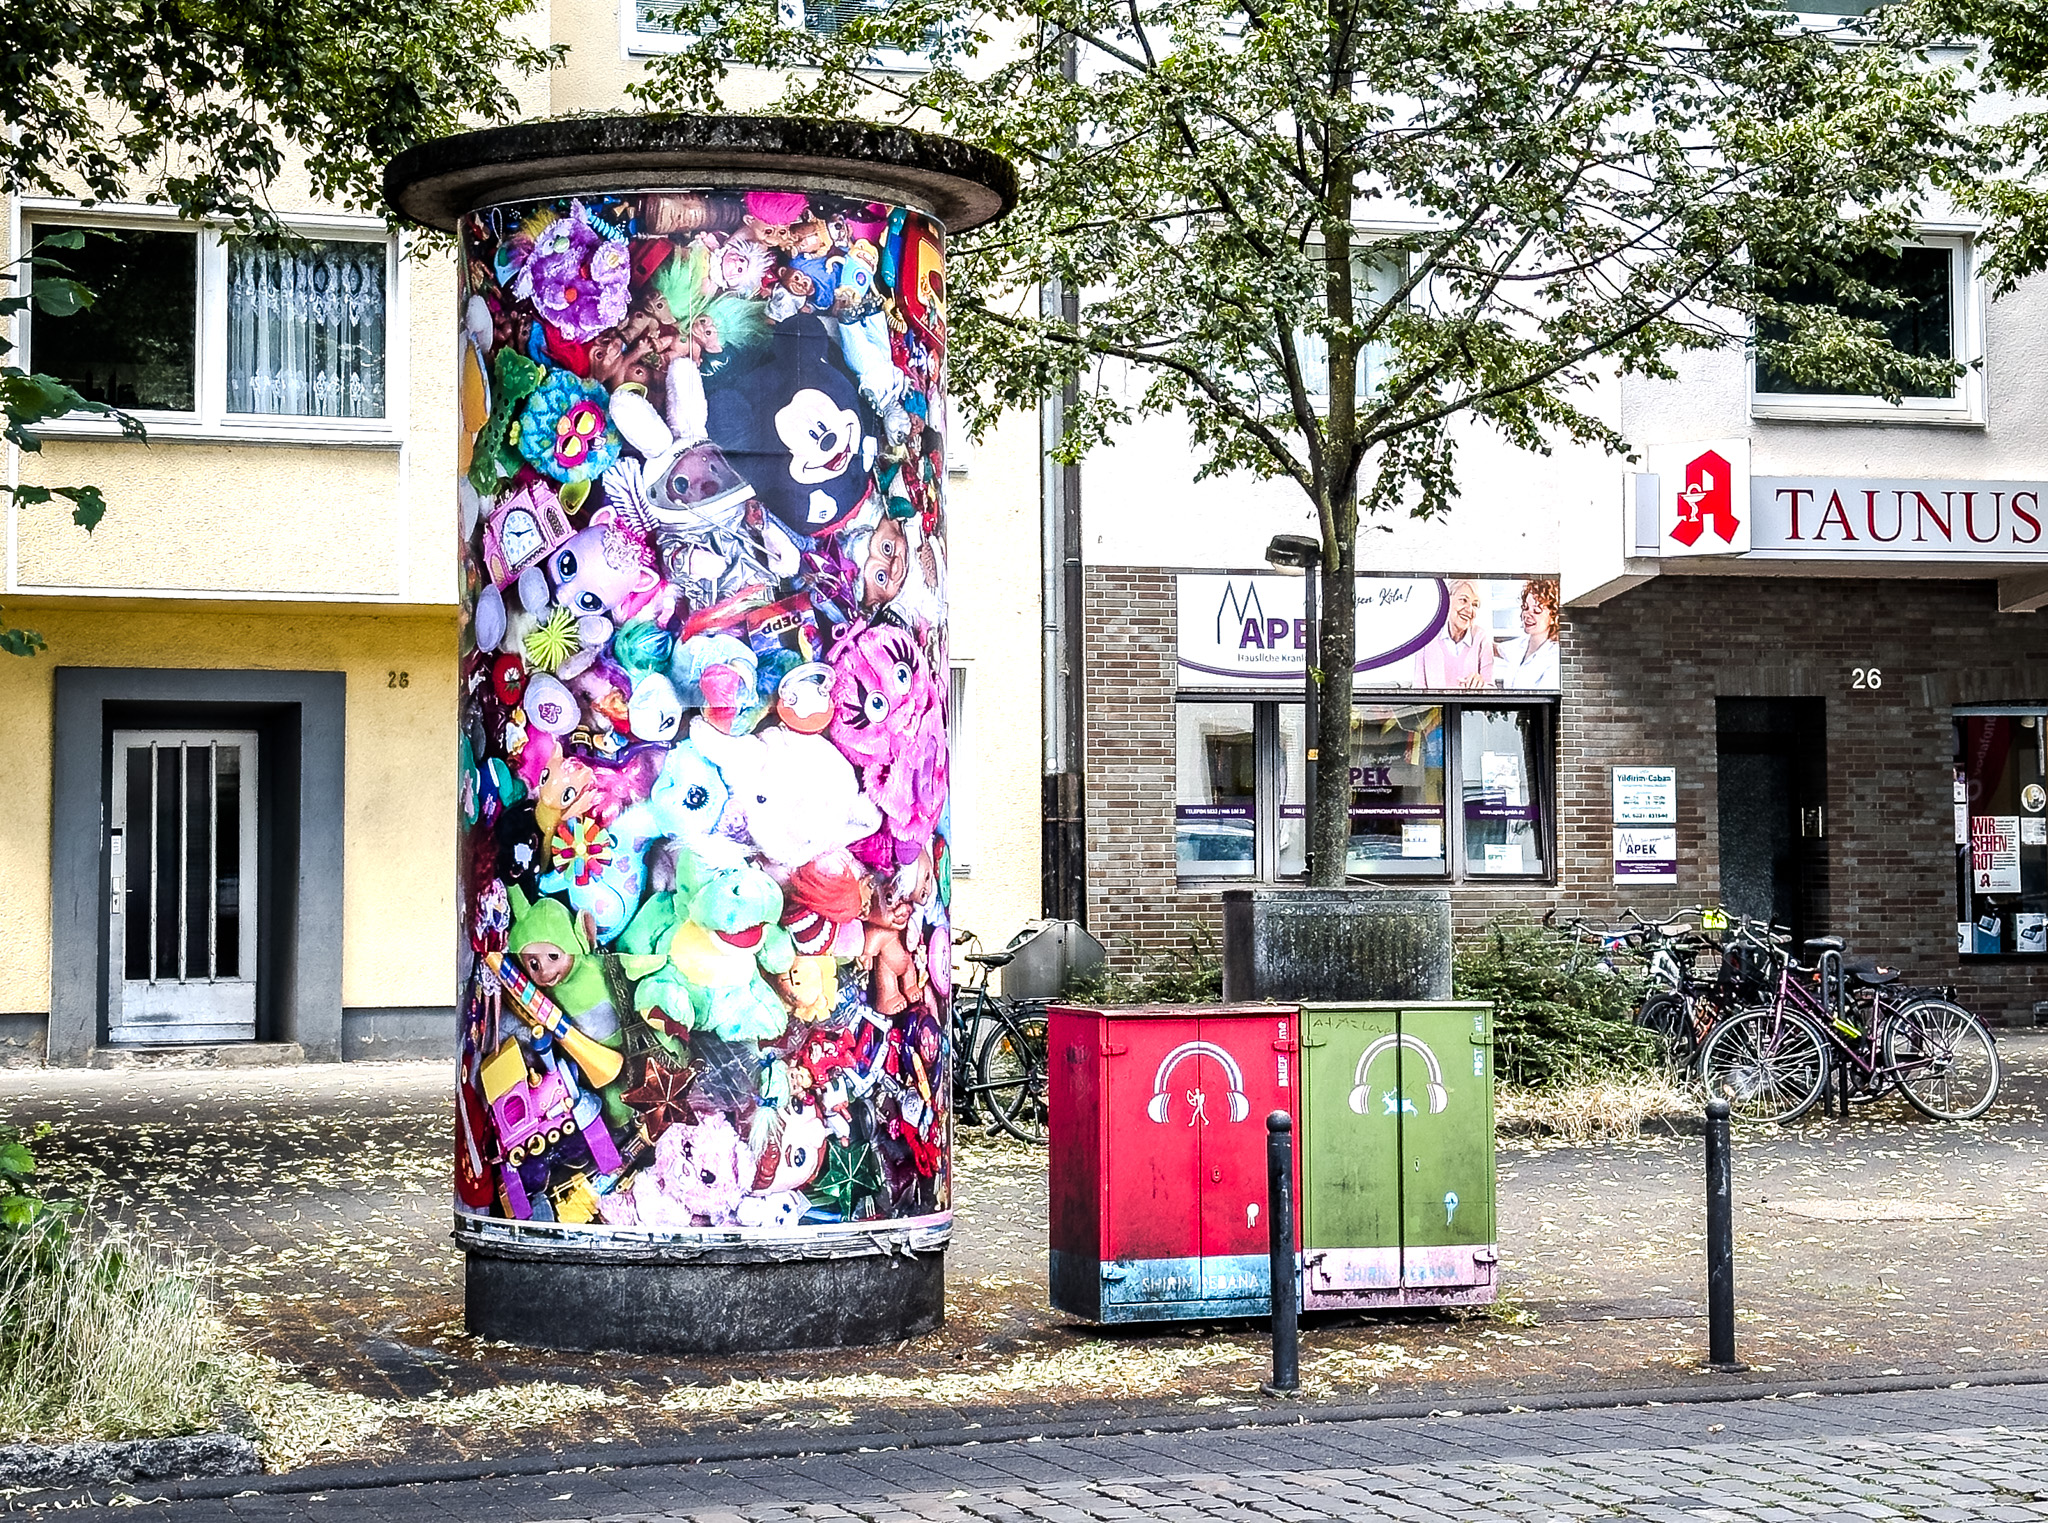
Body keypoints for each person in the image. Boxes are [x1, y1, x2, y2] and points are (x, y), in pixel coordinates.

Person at [1413, 579, 1494, 689]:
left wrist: (1481, 686)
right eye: (1464, 600)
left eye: (1475, 604)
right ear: (1447, 600)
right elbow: (1418, 688)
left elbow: (1491, 689)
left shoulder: (1481, 638)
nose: (1469, 610)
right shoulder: (1427, 635)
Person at [1499, 577, 1560, 690]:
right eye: (1525, 607)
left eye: (1536, 610)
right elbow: (1494, 649)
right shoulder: (1519, 645)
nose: (1527, 615)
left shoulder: (1555, 657)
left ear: (1553, 617)